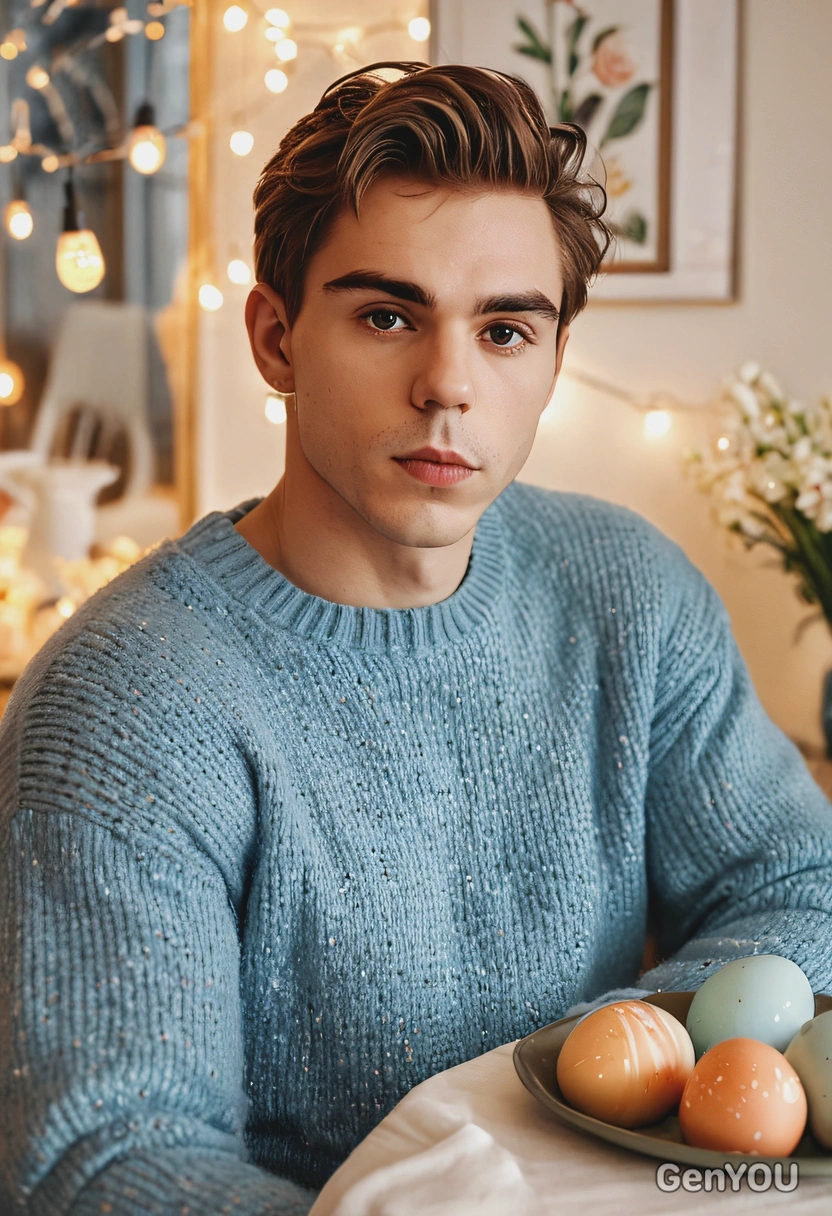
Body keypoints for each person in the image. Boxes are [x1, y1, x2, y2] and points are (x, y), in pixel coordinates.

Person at [2, 59, 832, 1215]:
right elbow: (98, 1157)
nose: (447, 384)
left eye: (503, 330)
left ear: (550, 360)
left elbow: (797, 877)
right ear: (277, 339)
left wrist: (618, 1073)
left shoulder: (626, 590)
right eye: (387, 315)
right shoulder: (125, 702)